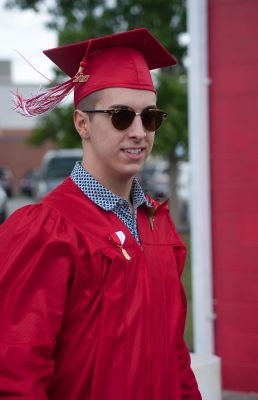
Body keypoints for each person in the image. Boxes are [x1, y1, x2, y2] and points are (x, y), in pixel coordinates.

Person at [0, 28, 201, 399]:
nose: (139, 131)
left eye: (150, 117)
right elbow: (15, 375)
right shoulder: (46, 231)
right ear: (81, 123)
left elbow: (176, 357)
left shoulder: (158, 225)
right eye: (121, 116)